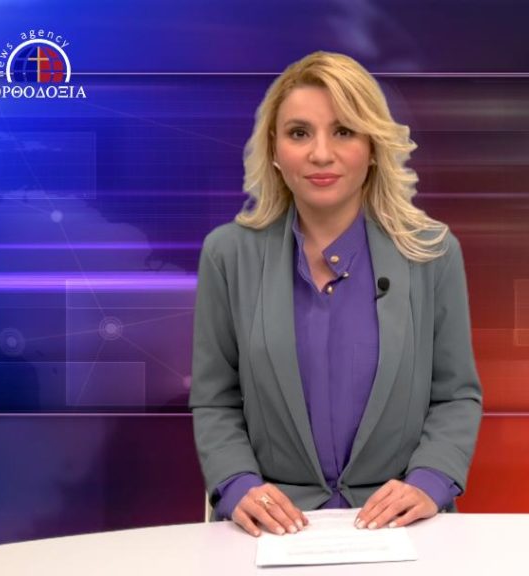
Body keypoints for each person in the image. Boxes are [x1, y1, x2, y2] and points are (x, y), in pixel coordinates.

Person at [189, 51, 482, 537]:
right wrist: (239, 486)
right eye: (299, 133)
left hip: (397, 526)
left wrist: (429, 482)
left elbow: (455, 396)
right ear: (274, 149)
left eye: (344, 131)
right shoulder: (228, 254)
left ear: (373, 147)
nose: (320, 154)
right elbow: (216, 400)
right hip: (274, 526)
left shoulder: (432, 252)